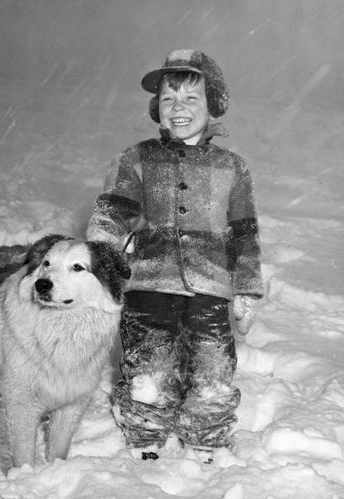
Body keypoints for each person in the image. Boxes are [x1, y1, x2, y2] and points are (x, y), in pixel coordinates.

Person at [86, 49, 263, 460]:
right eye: (169, 99)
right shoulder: (138, 158)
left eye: (191, 98)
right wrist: (101, 243)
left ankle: (205, 440)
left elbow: (245, 234)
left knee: (212, 371)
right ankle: (145, 437)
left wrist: (248, 289)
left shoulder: (232, 167)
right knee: (149, 369)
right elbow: (114, 210)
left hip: (211, 289)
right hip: (147, 284)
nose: (178, 109)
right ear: (157, 108)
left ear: (212, 103)